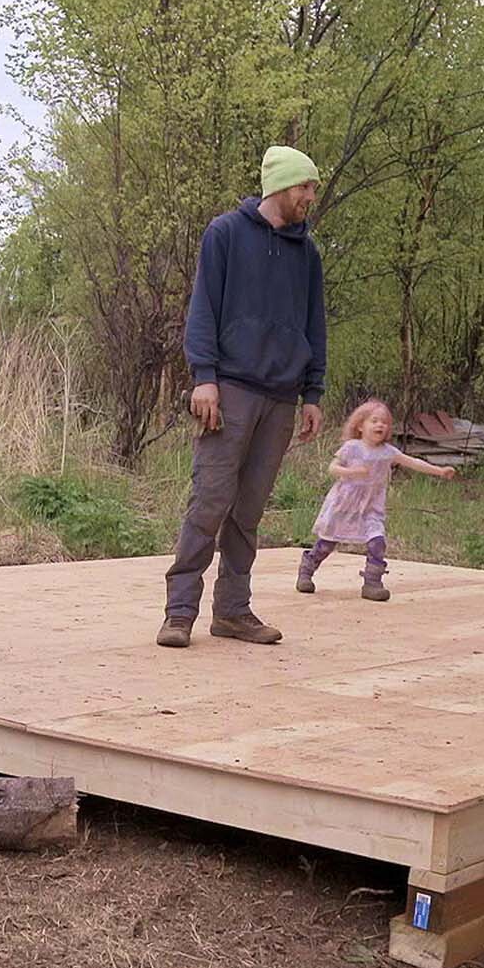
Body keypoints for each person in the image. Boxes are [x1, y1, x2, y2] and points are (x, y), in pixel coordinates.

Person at [156, 145, 330, 649]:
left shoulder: (307, 253)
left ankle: (232, 611)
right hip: (229, 388)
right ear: (282, 185)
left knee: (248, 511)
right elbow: (203, 308)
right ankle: (179, 612)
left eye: (313, 188)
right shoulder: (226, 233)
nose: (311, 197)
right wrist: (204, 377)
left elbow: (314, 324)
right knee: (209, 502)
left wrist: (313, 391)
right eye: (306, 187)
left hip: (281, 396)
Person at [296, 399, 457, 602]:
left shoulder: (388, 451)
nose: (380, 425)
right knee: (327, 543)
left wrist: (439, 471)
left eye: (385, 422)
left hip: (371, 507)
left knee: (377, 541)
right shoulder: (352, 447)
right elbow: (333, 468)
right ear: (360, 426)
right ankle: (306, 571)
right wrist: (352, 472)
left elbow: (412, 462)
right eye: (374, 421)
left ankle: (372, 583)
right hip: (344, 504)